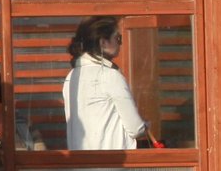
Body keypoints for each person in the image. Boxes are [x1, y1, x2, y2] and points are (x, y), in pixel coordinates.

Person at [62, 16, 160, 150]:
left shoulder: (72, 76)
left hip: (81, 163)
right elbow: (135, 129)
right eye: (118, 38)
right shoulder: (109, 75)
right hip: (112, 163)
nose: (120, 43)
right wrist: (145, 125)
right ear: (103, 43)